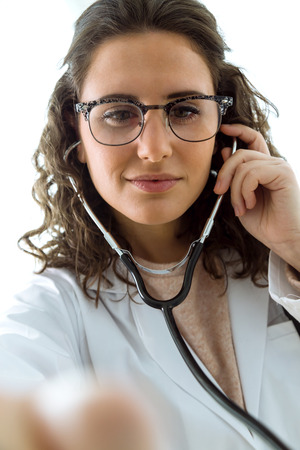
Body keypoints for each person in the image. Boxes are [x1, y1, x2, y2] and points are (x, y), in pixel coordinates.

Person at [1, 0, 300, 448]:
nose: (154, 149)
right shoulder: (53, 311)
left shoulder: (282, 265)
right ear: (76, 134)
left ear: (222, 122)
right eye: (119, 113)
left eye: (184, 110)